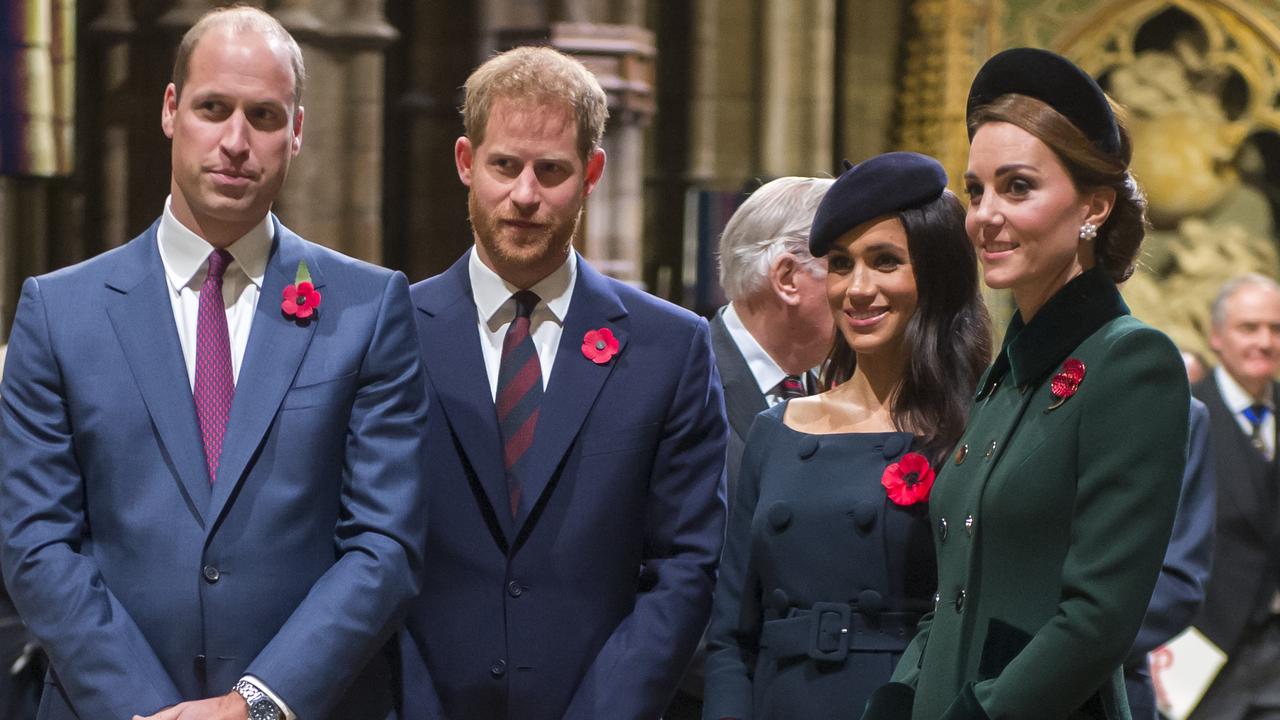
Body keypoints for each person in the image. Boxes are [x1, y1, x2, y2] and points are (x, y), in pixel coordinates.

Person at [0, 8, 430, 720]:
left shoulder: (368, 307)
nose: (236, 141)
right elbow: (37, 542)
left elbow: (384, 543)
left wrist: (253, 705)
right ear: (172, 111)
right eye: (213, 108)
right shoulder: (58, 311)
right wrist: (143, 709)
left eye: (263, 116)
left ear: (297, 130)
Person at [400, 46, 728, 720]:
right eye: (504, 166)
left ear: (592, 173)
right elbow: (361, 548)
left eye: (551, 171)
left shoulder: (669, 348)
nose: (525, 195)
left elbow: (686, 565)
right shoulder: (392, 333)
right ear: (466, 162)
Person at [862, 47, 1189, 720]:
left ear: (1094, 206)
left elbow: (1097, 620)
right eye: (976, 190)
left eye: (1018, 187)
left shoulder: (1132, 362)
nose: (985, 215)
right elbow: (953, 591)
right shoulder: (1001, 377)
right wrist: (899, 695)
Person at [703, 152, 991, 720]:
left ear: (934, 277)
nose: (857, 289)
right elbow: (731, 636)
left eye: (885, 261)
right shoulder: (777, 429)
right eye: (840, 263)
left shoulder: (975, 426)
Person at [668, 176, 837, 720]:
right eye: (845, 264)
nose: (862, 288)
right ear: (788, 277)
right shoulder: (678, 381)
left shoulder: (829, 392)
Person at [1188, 274, 1280, 720]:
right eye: (1249, 328)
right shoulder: (1185, 415)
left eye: (1275, 329)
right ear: (1217, 337)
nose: (1265, 341)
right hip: (1203, 649)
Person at [1123, 397, 1215, 720]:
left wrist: (1068, 647)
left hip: (1113, 677)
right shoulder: (1013, 393)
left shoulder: (1181, 413)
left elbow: (1179, 579)